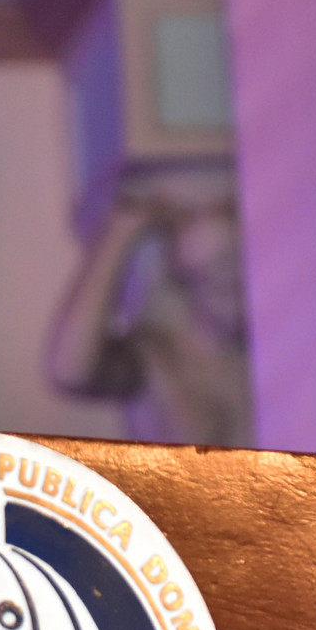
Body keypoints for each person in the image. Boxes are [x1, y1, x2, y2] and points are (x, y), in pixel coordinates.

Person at [44, 161, 253, 448]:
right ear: (183, 277)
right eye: (222, 282)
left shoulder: (276, 343)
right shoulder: (156, 358)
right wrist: (124, 227)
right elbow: (70, 371)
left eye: (242, 275)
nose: (239, 294)